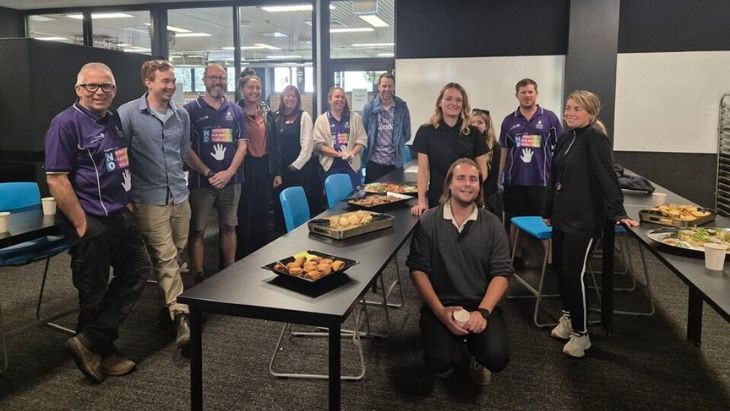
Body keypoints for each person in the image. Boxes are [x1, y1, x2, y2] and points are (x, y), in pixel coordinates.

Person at [45, 62, 151, 382]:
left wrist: (127, 197)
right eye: (91, 86)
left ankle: (91, 341)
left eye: (106, 86)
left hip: (119, 212)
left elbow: (118, 162)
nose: (99, 92)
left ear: (115, 91)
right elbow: (56, 178)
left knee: (137, 270)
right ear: (79, 90)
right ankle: (101, 354)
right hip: (89, 218)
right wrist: (80, 223)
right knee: (92, 289)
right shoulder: (64, 124)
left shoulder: (113, 119)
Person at [542, 90, 638, 358]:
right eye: (568, 107)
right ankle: (568, 318)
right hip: (562, 216)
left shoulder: (595, 138)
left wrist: (618, 212)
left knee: (574, 274)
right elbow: (553, 176)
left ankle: (581, 335)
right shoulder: (565, 137)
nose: (570, 113)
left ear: (591, 113)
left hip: (584, 220)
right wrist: (548, 208)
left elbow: (608, 177)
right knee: (560, 269)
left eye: (577, 109)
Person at [406, 157, 512, 385]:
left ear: (479, 187)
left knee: (497, 357)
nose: (467, 184)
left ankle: (477, 356)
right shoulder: (429, 222)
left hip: (480, 304)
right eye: (461, 178)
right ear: (449, 185)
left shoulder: (493, 224)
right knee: (440, 361)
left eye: (473, 179)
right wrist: (440, 312)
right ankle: (450, 350)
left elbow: (502, 275)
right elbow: (418, 271)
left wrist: (483, 312)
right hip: (441, 305)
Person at [118, 59, 192, 350]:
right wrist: (125, 197)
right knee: (165, 257)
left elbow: (182, 151)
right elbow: (119, 158)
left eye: (173, 81)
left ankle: (168, 305)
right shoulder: (128, 115)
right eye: (165, 81)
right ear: (148, 82)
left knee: (177, 252)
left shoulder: (182, 115)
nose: (171, 86)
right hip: (148, 199)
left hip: (179, 196)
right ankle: (181, 317)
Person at [183, 64, 247, 282]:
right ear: (204, 79)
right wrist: (208, 172)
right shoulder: (190, 110)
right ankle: (198, 277)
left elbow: (243, 146)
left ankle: (229, 271)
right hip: (201, 182)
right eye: (213, 77)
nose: (217, 82)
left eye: (222, 77)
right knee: (197, 230)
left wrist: (229, 172)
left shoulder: (235, 111)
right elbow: (186, 149)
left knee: (229, 226)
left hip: (232, 181)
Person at [499, 78, 562, 261]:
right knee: (515, 220)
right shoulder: (509, 121)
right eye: (523, 92)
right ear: (517, 95)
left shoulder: (549, 118)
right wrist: (501, 176)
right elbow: (505, 149)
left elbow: (559, 149)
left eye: (530, 92)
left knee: (543, 219)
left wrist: (559, 176)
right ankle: (515, 256)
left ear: (536, 93)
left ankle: (552, 261)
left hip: (543, 180)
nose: (527, 96)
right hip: (515, 180)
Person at [410, 82, 489, 216]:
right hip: (437, 198)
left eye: (458, 100)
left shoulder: (473, 132)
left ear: (463, 105)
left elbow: (483, 170)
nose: (454, 103)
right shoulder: (425, 131)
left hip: (467, 199)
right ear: (440, 102)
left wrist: (469, 189)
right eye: (448, 98)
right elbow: (423, 170)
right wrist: (422, 201)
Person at [236, 72, 282, 257]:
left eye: (258, 88)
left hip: (264, 167)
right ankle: (242, 256)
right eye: (250, 87)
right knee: (244, 212)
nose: (255, 91)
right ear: (242, 89)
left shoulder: (267, 113)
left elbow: (275, 144)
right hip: (244, 167)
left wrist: (277, 172)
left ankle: (258, 255)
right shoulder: (234, 112)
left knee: (261, 212)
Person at [272, 85, 320, 232]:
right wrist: (276, 169)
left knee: (296, 205)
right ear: (282, 98)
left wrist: (296, 165)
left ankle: (298, 235)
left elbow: (307, 144)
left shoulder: (303, 116)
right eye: (287, 95)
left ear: (298, 99)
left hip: (298, 170)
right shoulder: (275, 116)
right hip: (279, 170)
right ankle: (280, 237)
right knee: (279, 205)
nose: (290, 98)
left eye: (293, 96)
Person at [313, 86, 367, 191]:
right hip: (330, 166)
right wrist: (338, 154)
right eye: (336, 97)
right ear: (330, 99)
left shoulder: (355, 117)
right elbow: (319, 145)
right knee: (334, 200)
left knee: (354, 197)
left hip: (351, 166)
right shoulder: (321, 120)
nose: (340, 100)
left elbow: (361, 140)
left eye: (342, 97)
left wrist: (352, 153)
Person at [361, 72, 412, 183]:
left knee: (396, 198)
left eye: (390, 86)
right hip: (374, 163)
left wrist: (398, 142)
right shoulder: (369, 108)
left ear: (393, 87)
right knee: (372, 199)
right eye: (384, 86)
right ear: (378, 87)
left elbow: (407, 133)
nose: (387, 89)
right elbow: (363, 134)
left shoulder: (402, 107)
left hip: (395, 163)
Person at [471, 108, 503, 220]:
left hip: (487, 195)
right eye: (472, 122)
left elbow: (493, 177)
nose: (476, 125)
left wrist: (481, 199)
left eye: (480, 122)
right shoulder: (466, 144)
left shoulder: (495, 147)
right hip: (469, 192)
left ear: (487, 126)